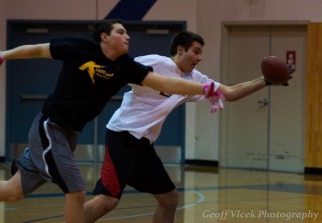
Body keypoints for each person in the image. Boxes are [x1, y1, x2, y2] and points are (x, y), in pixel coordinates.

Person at [0, 20, 218, 223]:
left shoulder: (124, 66)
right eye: (120, 31)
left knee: (13, 190)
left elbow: (167, 84)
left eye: (127, 32)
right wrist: (2, 55)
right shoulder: (77, 47)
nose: (126, 36)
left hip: (70, 135)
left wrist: (205, 88)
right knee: (76, 189)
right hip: (49, 127)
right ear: (104, 37)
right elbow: (36, 50)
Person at [83, 31, 294, 223]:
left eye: (201, 53)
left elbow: (229, 93)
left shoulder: (195, 79)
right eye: (196, 51)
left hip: (142, 145)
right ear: (180, 50)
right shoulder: (155, 63)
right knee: (108, 200)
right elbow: (119, 68)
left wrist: (266, 80)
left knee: (169, 199)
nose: (200, 57)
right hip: (122, 136)